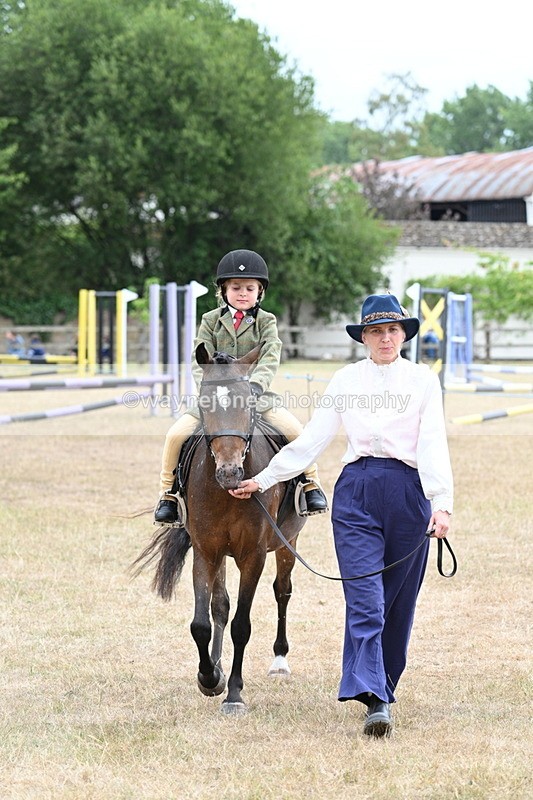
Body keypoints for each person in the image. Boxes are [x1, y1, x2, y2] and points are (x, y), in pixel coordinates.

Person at [229, 293, 453, 738]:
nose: (385, 338)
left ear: (403, 334)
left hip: (409, 494)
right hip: (357, 493)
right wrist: (267, 477)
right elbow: (314, 438)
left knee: (397, 603)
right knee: (365, 599)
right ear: (364, 337)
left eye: (392, 330)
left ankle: (384, 684)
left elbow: (433, 442)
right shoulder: (346, 379)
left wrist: (441, 501)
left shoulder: (423, 381)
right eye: (375, 331)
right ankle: (374, 697)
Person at [154, 249, 328, 523]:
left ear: (260, 292)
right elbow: (199, 358)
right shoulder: (210, 321)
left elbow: (270, 356)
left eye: (250, 288)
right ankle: (169, 494)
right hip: (215, 399)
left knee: (295, 431)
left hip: (255, 397)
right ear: (224, 290)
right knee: (175, 435)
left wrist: (255, 387)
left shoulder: (266, 321)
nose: (243, 293)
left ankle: (310, 483)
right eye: (236, 287)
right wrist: (208, 390)